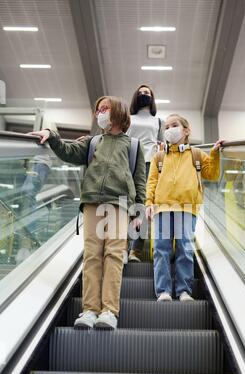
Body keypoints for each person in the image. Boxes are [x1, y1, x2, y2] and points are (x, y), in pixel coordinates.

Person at [30, 96, 146, 329]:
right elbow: (68, 152)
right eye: (98, 110)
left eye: (105, 109)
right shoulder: (92, 142)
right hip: (92, 202)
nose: (99, 113)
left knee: (114, 255)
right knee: (92, 255)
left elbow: (139, 181)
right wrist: (52, 136)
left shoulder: (133, 146)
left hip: (120, 203)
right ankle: (90, 310)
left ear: (119, 113)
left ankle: (109, 311)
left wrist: (139, 213)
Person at [145, 113, 222, 302]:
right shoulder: (159, 157)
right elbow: (152, 181)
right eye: (167, 127)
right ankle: (163, 291)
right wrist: (148, 203)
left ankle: (183, 291)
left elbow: (211, 174)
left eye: (175, 125)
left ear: (186, 130)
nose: (170, 129)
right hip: (163, 208)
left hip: (187, 208)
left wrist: (215, 153)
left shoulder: (196, 154)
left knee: (185, 249)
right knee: (161, 249)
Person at [127, 84, 164, 262]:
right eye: (140, 92)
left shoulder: (158, 121)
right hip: (129, 161)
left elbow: (163, 144)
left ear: (152, 97)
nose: (143, 95)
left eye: (147, 93)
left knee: (142, 204)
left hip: (149, 163)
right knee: (126, 202)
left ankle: (135, 250)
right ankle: (122, 246)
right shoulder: (128, 118)